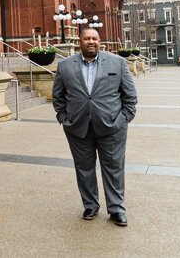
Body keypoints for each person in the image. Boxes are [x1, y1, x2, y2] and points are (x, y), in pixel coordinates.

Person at [52, 28, 138, 227]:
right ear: (80, 42)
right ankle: (90, 205)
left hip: (112, 127)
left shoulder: (117, 62)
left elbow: (130, 96)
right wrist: (64, 118)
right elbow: (58, 97)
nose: (91, 41)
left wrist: (123, 120)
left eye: (94, 38)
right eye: (86, 38)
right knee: (84, 169)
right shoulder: (65, 66)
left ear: (100, 41)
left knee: (114, 168)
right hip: (78, 128)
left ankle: (116, 209)